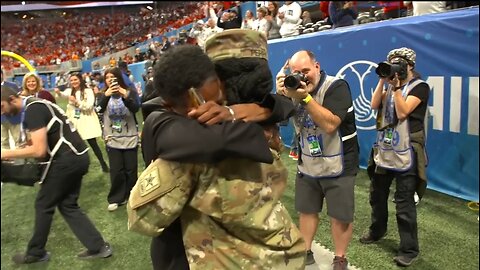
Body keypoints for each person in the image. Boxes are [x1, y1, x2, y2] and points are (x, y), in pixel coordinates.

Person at [138, 39, 304, 270]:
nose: (207, 111)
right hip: (181, 252)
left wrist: (249, 110)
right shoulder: (162, 124)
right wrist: (254, 125)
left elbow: (283, 105)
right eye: (197, 105)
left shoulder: (221, 106)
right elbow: (213, 140)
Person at [0, 85, 112, 265]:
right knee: (67, 204)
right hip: (77, 157)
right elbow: (42, 139)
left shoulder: (33, 109)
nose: (3, 113)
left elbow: (39, 150)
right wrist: (19, 151)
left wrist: (5, 154)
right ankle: (98, 247)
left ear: (13, 99)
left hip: (66, 161)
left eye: (2, 107)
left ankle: (36, 252)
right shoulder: (37, 105)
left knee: (43, 204)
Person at [276, 50, 359, 269]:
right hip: (309, 161)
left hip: (339, 162)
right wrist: (281, 96)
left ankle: (340, 257)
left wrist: (304, 98)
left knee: (340, 215)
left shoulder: (336, 86)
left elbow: (330, 124)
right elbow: (280, 120)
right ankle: (305, 250)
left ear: (317, 67)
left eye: (305, 71)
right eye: (296, 72)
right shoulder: (292, 89)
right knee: (307, 209)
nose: (302, 77)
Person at [360, 47, 429, 267]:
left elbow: (402, 112)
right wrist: (383, 80)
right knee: (377, 195)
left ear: (409, 66)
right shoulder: (389, 86)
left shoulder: (420, 87)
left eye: (398, 64)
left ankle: (409, 249)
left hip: (407, 151)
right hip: (385, 150)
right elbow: (373, 105)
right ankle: (377, 230)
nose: (395, 68)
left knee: (404, 201)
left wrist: (397, 88)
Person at [98, 67, 140, 212]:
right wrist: (106, 96)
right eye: (107, 78)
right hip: (112, 137)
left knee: (131, 169)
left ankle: (132, 196)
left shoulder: (129, 91)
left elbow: (135, 108)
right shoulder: (103, 94)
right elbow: (97, 109)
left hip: (129, 136)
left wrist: (125, 95)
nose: (110, 80)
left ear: (119, 79)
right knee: (116, 170)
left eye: (113, 77)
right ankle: (116, 198)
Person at [54, 73, 108, 172]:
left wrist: (76, 102)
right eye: (72, 80)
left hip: (86, 120)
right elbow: (62, 95)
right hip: (75, 121)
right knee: (73, 145)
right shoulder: (70, 91)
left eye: (76, 80)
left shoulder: (88, 91)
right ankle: (77, 167)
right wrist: (58, 92)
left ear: (80, 80)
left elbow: (89, 106)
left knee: (93, 143)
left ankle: (103, 163)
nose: (74, 82)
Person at [1, 69, 21, 149]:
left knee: (18, 139)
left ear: (2, 75)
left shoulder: (12, 85)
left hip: (14, 116)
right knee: (3, 141)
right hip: (1, 119)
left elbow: (18, 100)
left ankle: (20, 158)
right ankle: (6, 158)